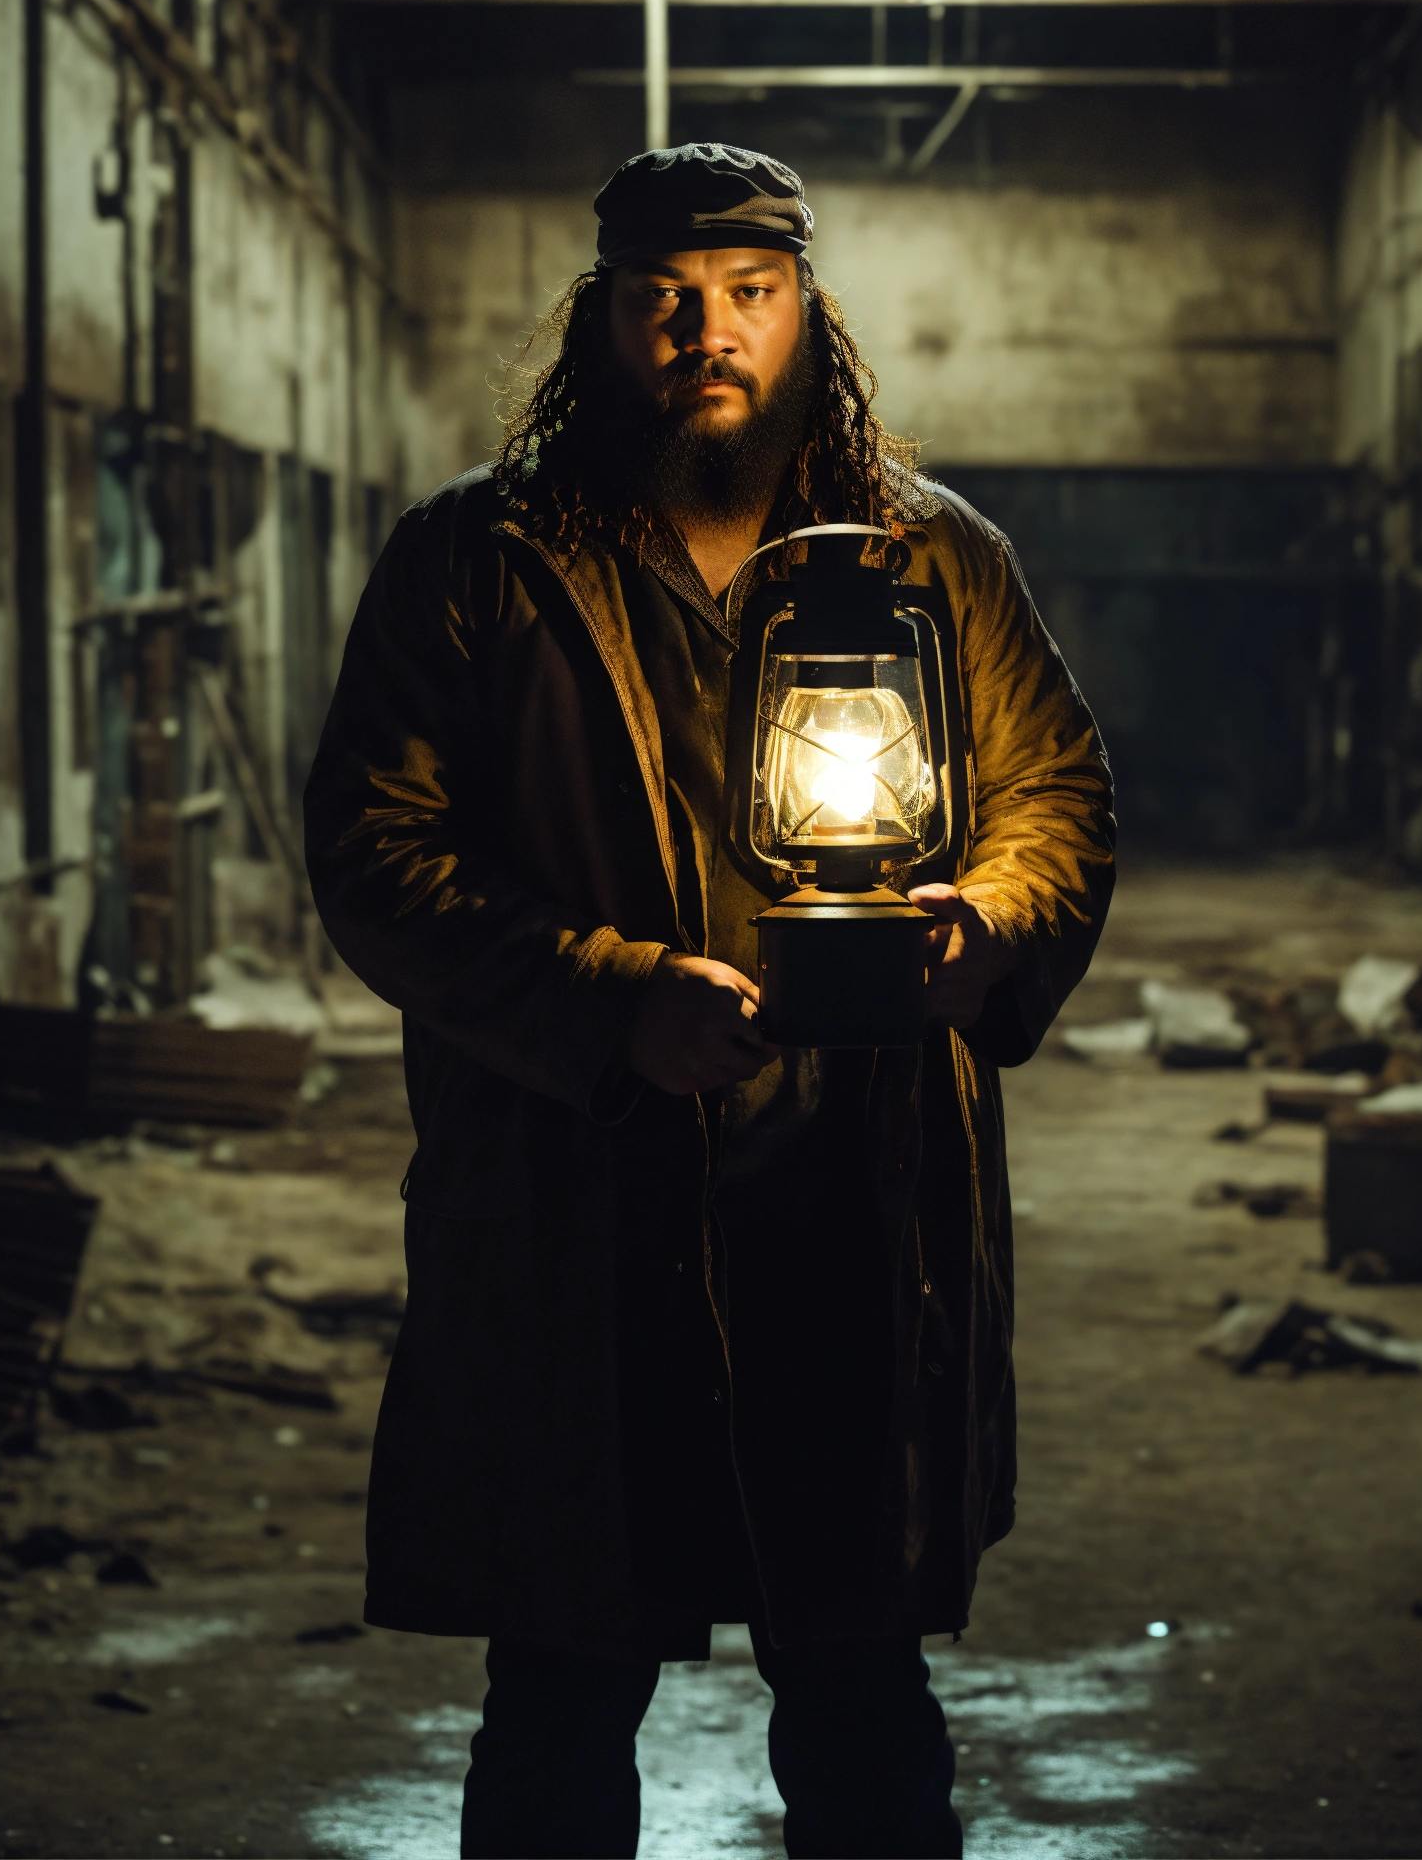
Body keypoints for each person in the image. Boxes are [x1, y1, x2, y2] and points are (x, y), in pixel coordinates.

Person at [304, 143, 1115, 1859]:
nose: (707, 334)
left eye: (749, 295)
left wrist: (977, 926)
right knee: (561, 1691)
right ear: (595, 321)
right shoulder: (476, 560)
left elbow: (1056, 796)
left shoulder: (931, 561)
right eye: (664, 300)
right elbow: (377, 852)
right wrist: (607, 1004)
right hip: (582, 1197)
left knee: (861, 1693)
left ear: (809, 314)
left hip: (857, 1188)